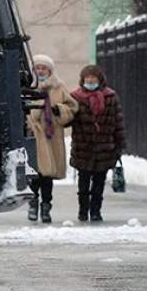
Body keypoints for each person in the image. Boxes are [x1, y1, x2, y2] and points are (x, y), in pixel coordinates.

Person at [69, 64, 125, 222]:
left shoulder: (110, 97)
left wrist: (119, 144)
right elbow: (68, 120)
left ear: (100, 79)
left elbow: (118, 122)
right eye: (87, 77)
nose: (90, 80)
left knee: (99, 184)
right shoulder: (75, 97)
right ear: (82, 79)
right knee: (83, 183)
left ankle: (95, 211)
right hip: (83, 147)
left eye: (93, 77)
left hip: (104, 147)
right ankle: (83, 211)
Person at [25, 54, 77, 223]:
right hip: (33, 135)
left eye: (43, 68)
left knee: (47, 177)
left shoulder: (58, 87)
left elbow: (72, 107)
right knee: (34, 175)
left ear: (50, 70)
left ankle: (46, 207)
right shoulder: (28, 87)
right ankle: (33, 205)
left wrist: (59, 110)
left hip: (51, 135)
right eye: (37, 68)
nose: (40, 71)